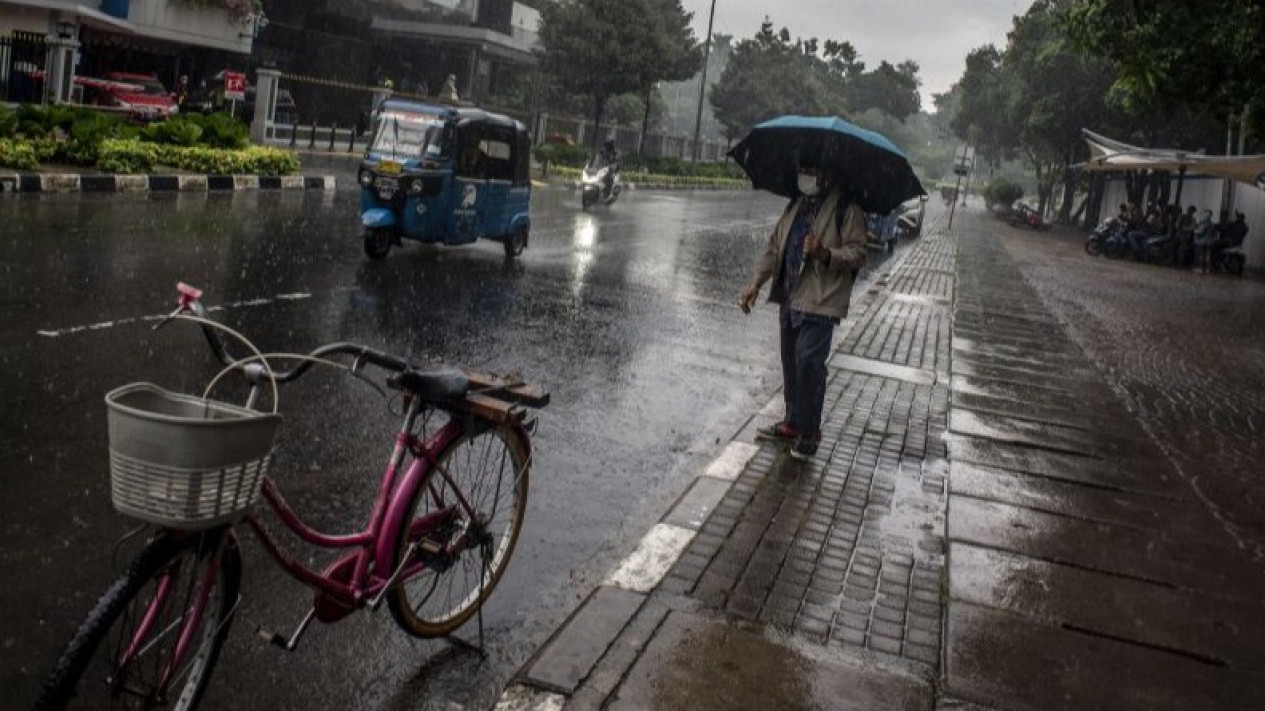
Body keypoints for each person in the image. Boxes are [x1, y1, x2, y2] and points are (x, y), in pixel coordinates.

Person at [738, 154, 869, 461]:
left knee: (809, 363)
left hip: (821, 300)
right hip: (790, 296)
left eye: (811, 170)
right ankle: (793, 422)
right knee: (791, 363)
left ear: (825, 173)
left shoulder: (845, 209)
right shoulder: (795, 205)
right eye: (803, 170)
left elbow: (859, 252)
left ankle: (810, 431)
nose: (805, 175)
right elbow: (774, 247)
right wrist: (756, 283)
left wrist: (825, 253)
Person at [1193, 208, 1216, 273]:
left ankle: (1201, 268)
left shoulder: (1204, 223)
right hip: (1210, 241)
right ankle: (1208, 269)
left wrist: (1195, 229)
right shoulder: (1211, 224)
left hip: (1202, 242)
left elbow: (1200, 232)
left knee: (1201, 255)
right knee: (1208, 256)